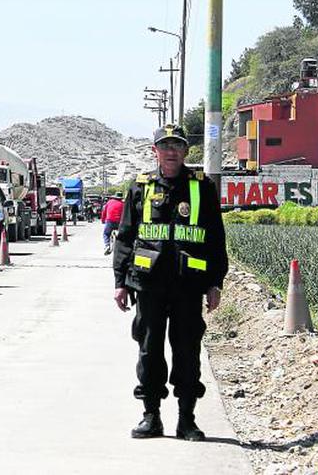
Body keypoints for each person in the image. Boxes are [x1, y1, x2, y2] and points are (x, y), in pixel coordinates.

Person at [112, 124, 227, 442]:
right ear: (155, 151)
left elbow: (216, 237)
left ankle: (186, 420)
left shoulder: (202, 187)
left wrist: (215, 282)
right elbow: (125, 237)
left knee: (187, 352)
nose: (171, 151)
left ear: (186, 151)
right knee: (149, 352)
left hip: (188, 286)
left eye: (177, 146)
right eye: (165, 146)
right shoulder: (140, 187)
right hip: (148, 285)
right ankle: (151, 417)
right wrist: (120, 282)